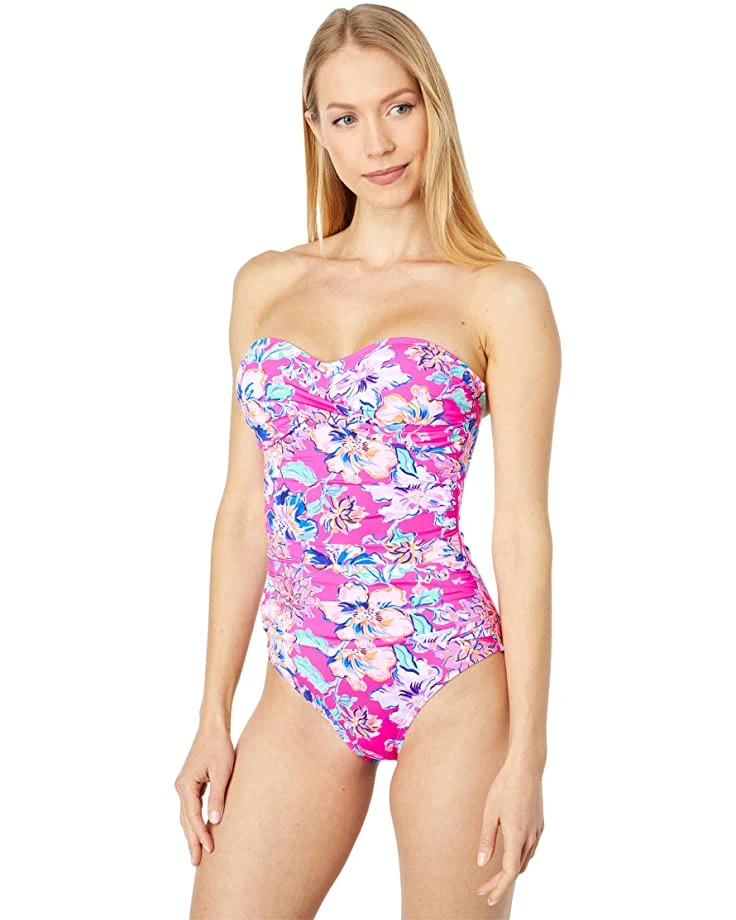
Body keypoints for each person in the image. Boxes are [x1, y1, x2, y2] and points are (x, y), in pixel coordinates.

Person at [176, 5, 560, 918]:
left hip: (449, 670)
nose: (377, 144)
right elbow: (244, 510)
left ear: (435, 108)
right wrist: (211, 716)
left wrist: (528, 757)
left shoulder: (501, 296)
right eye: (346, 117)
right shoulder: (266, 284)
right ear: (315, 128)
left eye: (399, 107)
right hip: (303, 677)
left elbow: (521, 529)